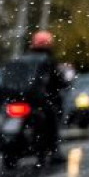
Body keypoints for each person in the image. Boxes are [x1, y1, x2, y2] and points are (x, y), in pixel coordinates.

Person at [5, 31, 67, 162]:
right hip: (38, 101)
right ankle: (54, 150)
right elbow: (58, 80)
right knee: (52, 120)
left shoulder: (23, 59)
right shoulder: (48, 61)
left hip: (17, 99)